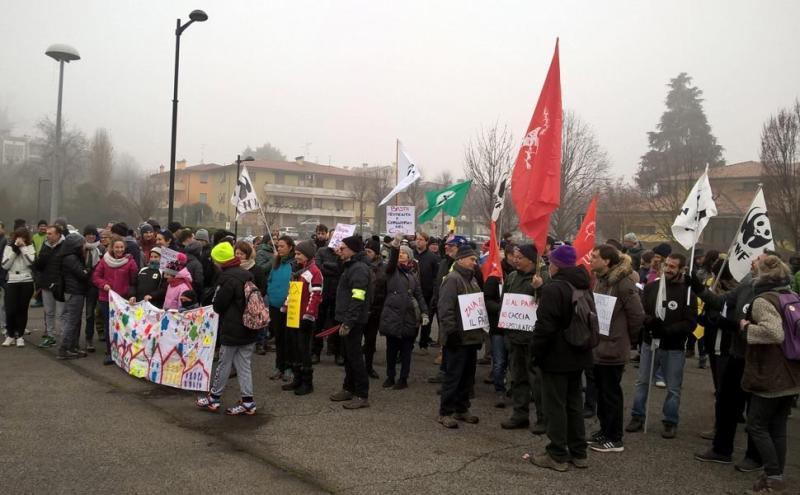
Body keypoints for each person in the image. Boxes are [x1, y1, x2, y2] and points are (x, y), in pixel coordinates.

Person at [691, 253, 770, 471]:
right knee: (726, 404)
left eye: (758, 260)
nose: (752, 262)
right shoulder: (746, 285)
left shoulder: (774, 294)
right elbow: (720, 300)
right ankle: (721, 450)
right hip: (737, 353)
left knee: (754, 411)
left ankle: (754, 457)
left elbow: (770, 331)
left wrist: (733, 326)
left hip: (758, 359)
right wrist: (697, 287)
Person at [737, 255, 800, 494]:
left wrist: (746, 328)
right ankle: (775, 476)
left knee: (757, 425)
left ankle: (773, 476)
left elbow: (774, 333)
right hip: (791, 371)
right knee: (778, 427)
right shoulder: (791, 295)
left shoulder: (764, 300)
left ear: (761, 274)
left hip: (771, 373)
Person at [627, 253, 697, 439]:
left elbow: (691, 323)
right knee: (642, 382)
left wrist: (667, 331)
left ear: (681, 269)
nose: (668, 269)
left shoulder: (687, 292)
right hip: (650, 343)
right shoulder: (652, 288)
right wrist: (650, 323)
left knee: (673, 387)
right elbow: (641, 312)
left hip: (673, 347)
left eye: (673, 267)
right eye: (667, 265)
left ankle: (670, 421)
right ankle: (637, 415)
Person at [587, 245, 644, 453]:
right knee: (601, 393)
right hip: (599, 346)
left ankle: (615, 438)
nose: (590, 260)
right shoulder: (601, 280)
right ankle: (604, 430)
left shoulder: (624, 283)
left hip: (613, 347)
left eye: (594, 256)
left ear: (607, 261)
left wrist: (627, 339)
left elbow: (637, 315)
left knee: (611, 394)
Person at [196, 241, 259, 416]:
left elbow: (218, 305)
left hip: (232, 328)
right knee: (244, 365)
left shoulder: (226, 278)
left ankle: (214, 397)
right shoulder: (247, 274)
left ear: (220, 261)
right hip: (250, 326)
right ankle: (248, 402)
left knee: (224, 363)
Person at [500, 245, 546, 432]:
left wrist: (540, 289)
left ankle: (543, 419)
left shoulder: (542, 278)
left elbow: (548, 304)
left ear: (531, 260)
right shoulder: (511, 277)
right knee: (518, 378)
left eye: (520, 257)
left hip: (533, 338)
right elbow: (506, 302)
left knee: (537, 381)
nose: (515, 260)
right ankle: (520, 415)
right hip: (515, 336)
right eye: (515, 257)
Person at [436, 244, 484, 428]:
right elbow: (445, 308)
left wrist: (479, 332)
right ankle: (445, 412)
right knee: (453, 376)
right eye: (472, 259)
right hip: (458, 337)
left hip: (471, 338)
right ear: (461, 259)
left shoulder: (472, 280)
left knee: (467, 377)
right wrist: (451, 331)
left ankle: (462, 409)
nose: (475, 262)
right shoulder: (452, 279)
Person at [329, 235, 373, 409]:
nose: (340, 250)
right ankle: (348, 388)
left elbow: (358, 297)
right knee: (348, 356)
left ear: (353, 250)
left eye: (343, 248)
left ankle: (362, 395)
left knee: (355, 358)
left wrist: (348, 322)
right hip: (346, 318)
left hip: (353, 321)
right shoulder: (351, 266)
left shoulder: (359, 269)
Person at [380, 241, 428, 390]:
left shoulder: (413, 275)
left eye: (404, 252)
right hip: (393, 316)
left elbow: (419, 295)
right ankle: (390, 376)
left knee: (406, 351)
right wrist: (395, 247)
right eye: (399, 252)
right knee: (391, 350)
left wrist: (425, 312)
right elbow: (392, 262)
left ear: (410, 257)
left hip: (409, 317)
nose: (401, 254)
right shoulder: (392, 270)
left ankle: (403, 378)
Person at [281, 239, 323, 396]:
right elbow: (293, 291)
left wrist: (308, 315)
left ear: (307, 255)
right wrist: (286, 305)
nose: (296, 256)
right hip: (293, 315)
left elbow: (316, 295)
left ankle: (307, 382)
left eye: (298, 254)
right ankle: (297, 378)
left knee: (304, 350)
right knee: (294, 349)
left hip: (304, 318)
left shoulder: (314, 272)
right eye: (296, 253)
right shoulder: (298, 271)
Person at [92, 236, 138, 365]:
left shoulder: (130, 262)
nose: (119, 250)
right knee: (109, 325)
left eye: (121, 247)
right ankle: (110, 352)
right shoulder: (104, 261)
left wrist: (131, 294)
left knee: (123, 326)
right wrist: (103, 284)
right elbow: (96, 276)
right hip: (106, 299)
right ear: (112, 247)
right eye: (117, 247)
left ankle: (123, 351)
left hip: (122, 300)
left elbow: (134, 281)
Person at [483, 245, 509, 408]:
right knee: (499, 362)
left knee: (514, 363)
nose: (516, 260)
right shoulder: (495, 278)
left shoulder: (521, 278)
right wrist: (501, 309)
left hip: (515, 328)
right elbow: (487, 300)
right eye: (514, 256)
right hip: (498, 328)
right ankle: (500, 390)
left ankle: (513, 390)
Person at [267, 236, 296, 381]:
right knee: (278, 337)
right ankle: (279, 366)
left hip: (290, 307)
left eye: (282, 246)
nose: (279, 248)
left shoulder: (295, 264)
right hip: (275, 306)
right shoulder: (276, 263)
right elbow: (270, 280)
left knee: (289, 338)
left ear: (290, 247)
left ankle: (289, 367)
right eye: (278, 246)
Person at [57, 233, 90, 359]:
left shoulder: (69, 257)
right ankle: (64, 348)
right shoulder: (71, 258)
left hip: (72, 291)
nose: (84, 246)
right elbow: (83, 274)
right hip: (75, 292)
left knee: (74, 321)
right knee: (72, 321)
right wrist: (87, 270)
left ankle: (72, 347)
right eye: (82, 244)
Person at [314, 227, 344, 365]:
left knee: (337, 324)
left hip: (338, 294)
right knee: (318, 323)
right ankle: (315, 352)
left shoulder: (343, 254)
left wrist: (337, 260)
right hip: (322, 293)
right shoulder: (321, 251)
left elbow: (343, 271)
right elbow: (319, 269)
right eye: (333, 237)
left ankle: (338, 353)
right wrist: (334, 268)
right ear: (328, 238)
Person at [1, 228, 35, 347]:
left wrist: (23, 248)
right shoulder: (9, 247)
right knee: (10, 310)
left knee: (22, 309)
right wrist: (15, 250)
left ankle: (20, 336)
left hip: (26, 280)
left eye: (23, 237)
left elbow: (30, 263)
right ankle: (10, 335)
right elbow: (5, 265)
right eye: (18, 237)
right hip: (12, 280)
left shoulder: (30, 247)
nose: (20, 239)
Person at [33, 226, 65, 348]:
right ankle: (50, 336)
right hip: (46, 284)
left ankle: (63, 338)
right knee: (49, 312)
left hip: (60, 285)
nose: (48, 236)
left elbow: (66, 264)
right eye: (47, 234)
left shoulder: (65, 245)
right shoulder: (45, 246)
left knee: (61, 313)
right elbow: (39, 265)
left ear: (58, 234)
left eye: (50, 234)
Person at [364, 237, 386, 379]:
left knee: (370, 341)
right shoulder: (360, 265)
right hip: (361, 309)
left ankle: (368, 367)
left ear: (376, 253)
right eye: (365, 251)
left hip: (375, 311)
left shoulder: (383, 268)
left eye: (370, 251)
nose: (367, 254)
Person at [414, 231, 439, 353]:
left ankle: (423, 344)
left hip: (427, 294)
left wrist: (434, 292)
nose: (418, 241)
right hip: (412, 293)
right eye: (417, 239)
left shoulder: (433, 258)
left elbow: (436, 277)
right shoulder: (411, 254)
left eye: (421, 239)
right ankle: (410, 343)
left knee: (426, 321)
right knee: (412, 319)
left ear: (426, 242)